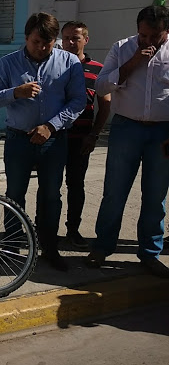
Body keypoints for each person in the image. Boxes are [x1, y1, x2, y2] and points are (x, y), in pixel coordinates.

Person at [0, 12, 86, 271]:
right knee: (15, 194)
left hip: (53, 140)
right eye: (36, 42)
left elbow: (78, 101)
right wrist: (15, 92)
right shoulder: (8, 63)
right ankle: (12, 245)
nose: (41, 48)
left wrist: (51, 126)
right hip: (18, 139)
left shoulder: (69, 62)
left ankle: (48, 247)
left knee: (51, 195)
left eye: (47, 42)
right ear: (27, 37)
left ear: (55, 40)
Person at [85, 5, 169, 277]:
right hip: (126, 128)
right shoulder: (122, 48)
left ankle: (149, 253)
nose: (146, 41)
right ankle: (102, 246)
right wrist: (132, 63)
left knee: (155, 196)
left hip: (162, 132)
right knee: (115, 191)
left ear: (165, 31)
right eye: (142, 34)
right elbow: (100, 86)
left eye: (153, 36)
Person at [59, 21, 110, 250]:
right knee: (49, 188)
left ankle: (73, 230)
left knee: (76, 186)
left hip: (81, 139)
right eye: (66, 37)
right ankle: (45, 231)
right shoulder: (53, 64)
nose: (70, 43)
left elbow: (105, 106)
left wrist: (94, 135)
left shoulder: (98, 69)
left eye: (75, 38)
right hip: (54, 138)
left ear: (85, 40)